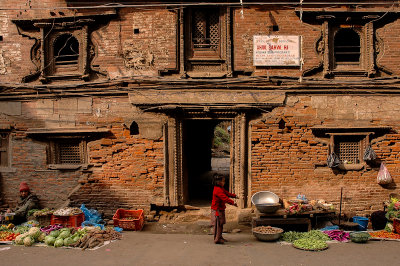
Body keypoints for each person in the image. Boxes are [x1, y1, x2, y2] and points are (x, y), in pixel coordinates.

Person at [211, 174, 238, 244]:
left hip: (220, 209)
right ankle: (217, 239)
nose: (224, 182)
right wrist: (233, 203)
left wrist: (234, 196)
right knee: (218, 225)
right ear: (218, 182)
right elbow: (225, 198)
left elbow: (226, 193)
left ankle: (220, 237)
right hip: (217, 210)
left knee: (221, 224)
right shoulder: (218, 190)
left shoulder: (220, 188)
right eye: (223, 181)